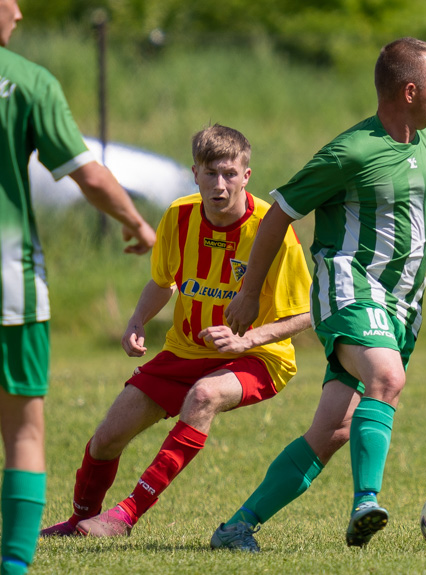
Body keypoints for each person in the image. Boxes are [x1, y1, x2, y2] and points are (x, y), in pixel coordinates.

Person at [213, 37, 426, 551]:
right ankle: (366, 503)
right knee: (386, 376)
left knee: (333, 430)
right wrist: (249, 293)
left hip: (402, 305)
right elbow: (280, 214)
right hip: (349, 285)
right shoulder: (350, 151)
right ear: (409, 91)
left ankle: (236, 528)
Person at [38, 124, 312, 540]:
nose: (220, 185)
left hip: (259, 357)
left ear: (247, 175)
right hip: (185, 350)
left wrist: (248, 339)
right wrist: (137, 319)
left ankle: (125, 515)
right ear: (194, 173)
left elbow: (309, 313)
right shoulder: (179, 216)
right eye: (210, 174)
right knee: (107, 438)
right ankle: (79, 520)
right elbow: (164, 280)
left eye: (230, 174)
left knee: (205, 395)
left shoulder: (271, 230)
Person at [1, 1, 156, 573]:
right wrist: (137, 223)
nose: (17, 12)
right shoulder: (26, 82)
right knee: (21, 430)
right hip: (8, 287)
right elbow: (86, 173)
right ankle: (13, 567)